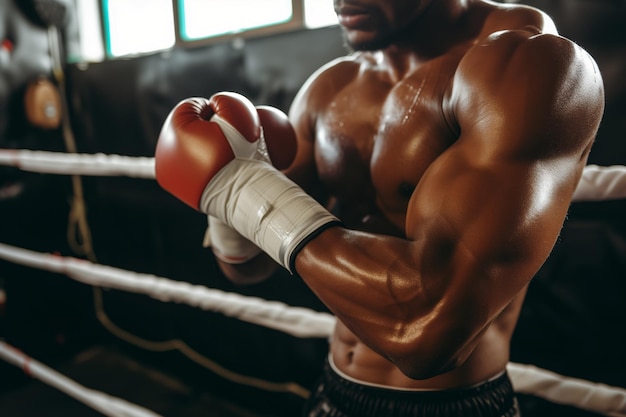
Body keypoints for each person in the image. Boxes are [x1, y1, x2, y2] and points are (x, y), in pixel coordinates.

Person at [154, 0, 605, 415]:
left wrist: (242, 188)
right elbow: (247, 266)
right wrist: (226, 200)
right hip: (335, 388)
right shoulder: (329, 88)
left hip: (451, 402)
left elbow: (426, 333)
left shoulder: (527, 67)